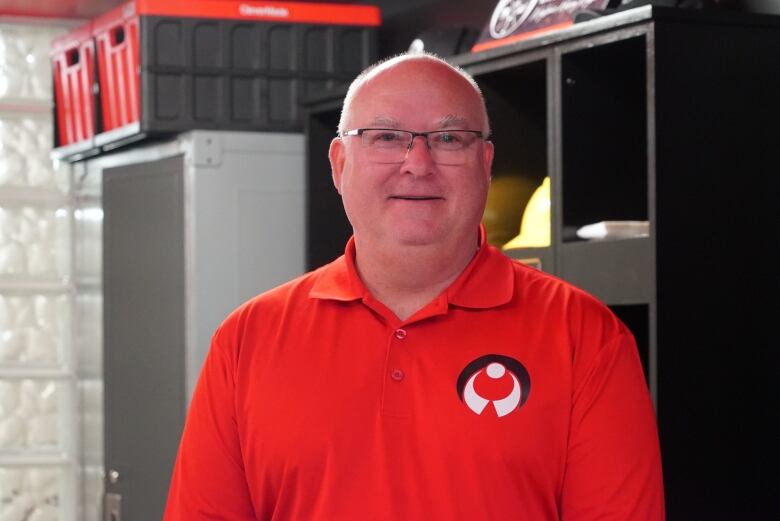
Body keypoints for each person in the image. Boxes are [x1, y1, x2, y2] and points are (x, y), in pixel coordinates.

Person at [163, 53, 664, 520]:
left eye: (449, 139)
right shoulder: (247, 340)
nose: (418, 163)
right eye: (385, 136)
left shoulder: (586, 338)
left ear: (486, 165)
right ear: (339, 164)